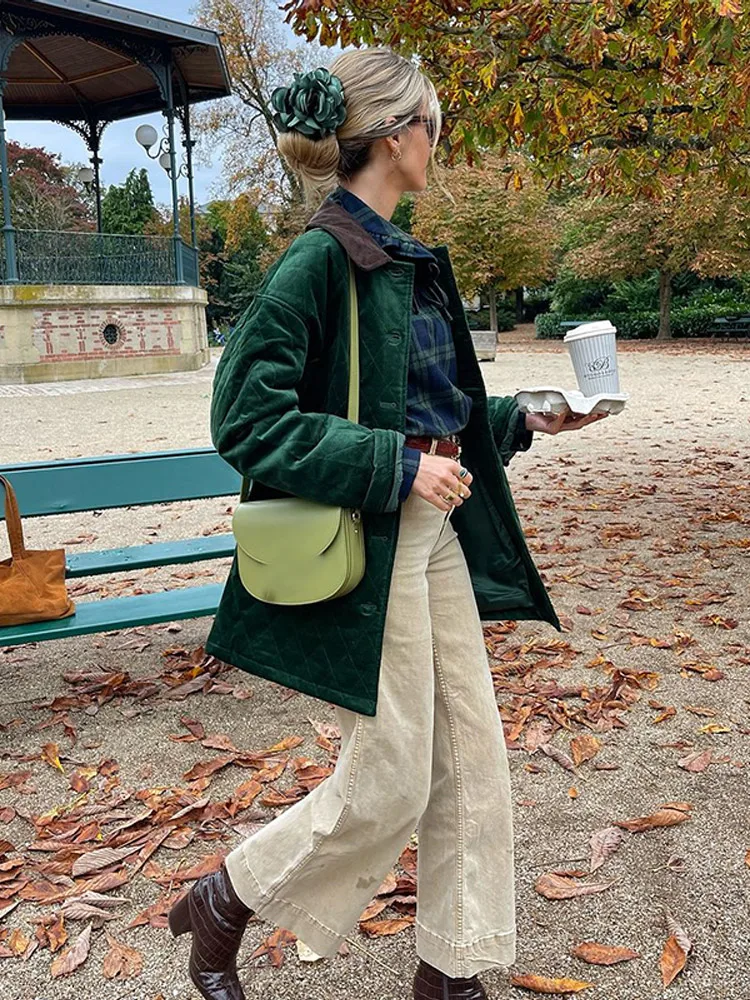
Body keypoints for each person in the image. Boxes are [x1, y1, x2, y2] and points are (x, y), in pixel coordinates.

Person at [168, 47, 606, 1000]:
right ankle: (225, 897)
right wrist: (394, 468)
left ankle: (451, 970)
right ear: (399, 135)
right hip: (371, 540)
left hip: (432, 532)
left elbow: (426, 411)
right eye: (433, 125)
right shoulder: (322, 257)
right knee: (395, 777)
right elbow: (243, 416)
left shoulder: (401, 256)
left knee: (473, 762)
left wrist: (526, 417)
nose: (437, 143)